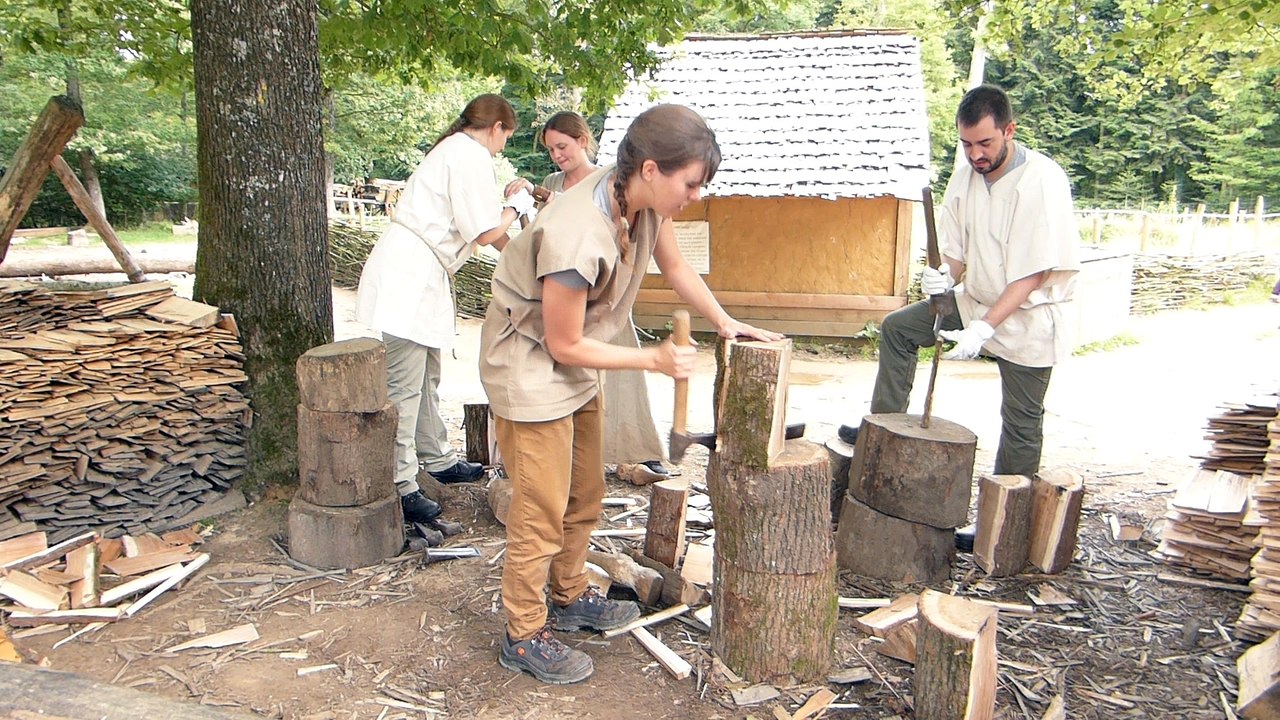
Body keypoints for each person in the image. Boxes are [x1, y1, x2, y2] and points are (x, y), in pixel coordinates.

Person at [481, 104, 782, 684]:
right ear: (650, 169)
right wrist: (652, 359)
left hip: (572, 355)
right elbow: (563, 342)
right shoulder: (576, 233)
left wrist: (724, 321)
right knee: (542, 505)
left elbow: (673, 264)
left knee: (586, 489)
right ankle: (522, 633)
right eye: (691, 183)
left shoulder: (638, 201)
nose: (697, 195)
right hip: (529, 360)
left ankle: (567, 597)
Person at [838, 84, 1080, 478]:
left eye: (984, 143)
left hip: (1029, 317)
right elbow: (957, 255)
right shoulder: (965, 176)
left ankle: (1003, 518)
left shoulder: (1041, 181)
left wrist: (984, 329)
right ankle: (882, 429)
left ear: (1009, 130)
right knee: (898, 329)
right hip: (974, 303)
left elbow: (1032, 273)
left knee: (1021, 423)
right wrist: (941, 276)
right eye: (966, 144)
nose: (975, 154)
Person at [356, 93, 537, 525]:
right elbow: (486, 229)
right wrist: (518, 207)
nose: (502, 148)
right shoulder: (468, 153)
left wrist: (521, 257)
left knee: (427, 374)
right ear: (496, 128)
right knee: (404, 384)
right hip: (408, 278)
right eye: (505, 139)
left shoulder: (457, 151)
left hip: (423, 276)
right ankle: (401, 485)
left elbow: (484, 233)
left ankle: (435, 457)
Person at [506, 111, 669, 477]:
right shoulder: (551, 181)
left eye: (562, 146)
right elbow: (542, 239)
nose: (557, 155)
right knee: (567, 376)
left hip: (606, 297)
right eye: (550, 150)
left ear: (583, 140)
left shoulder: (609, 180)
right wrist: (525, 199)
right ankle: (573, 460)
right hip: (568, 298)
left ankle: (636, 448)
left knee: (622, 377)